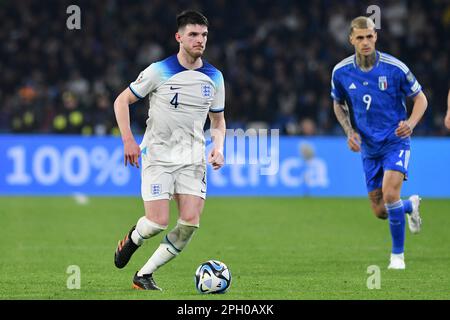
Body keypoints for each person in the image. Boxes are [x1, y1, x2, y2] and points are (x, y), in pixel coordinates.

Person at [112, 10, 226, 290]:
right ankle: (134, 238)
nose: (200, 40)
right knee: (158, 222)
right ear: (179, 37)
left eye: (204, 35)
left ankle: (144, 275)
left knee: (190, 223)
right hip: (159, 156)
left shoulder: (214, 77)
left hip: (193, 159)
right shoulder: (158, 71)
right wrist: (128, 140)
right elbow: (121, 101)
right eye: (194, 35)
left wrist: (218, 147)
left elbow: (219, 121)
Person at [331, 17, 428, 270]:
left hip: (396, 140)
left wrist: (411, 123)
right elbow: (337, 103)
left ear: (376, 37)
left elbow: (421, 99)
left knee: (390, 193)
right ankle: (410, 205)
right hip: (369, 148)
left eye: (370, 36)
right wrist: (349, 131)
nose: (365, 42)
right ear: (351, 39)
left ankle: (398, 256)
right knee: (380, 210)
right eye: (360, 37)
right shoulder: (341, 72)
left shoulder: (394, 68)